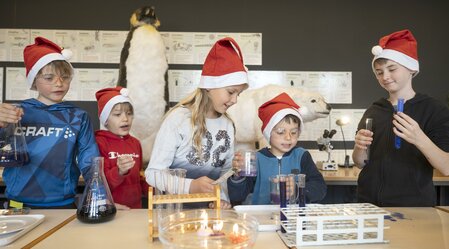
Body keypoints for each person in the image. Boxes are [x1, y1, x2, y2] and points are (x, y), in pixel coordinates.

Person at [145, 37, 249, 209]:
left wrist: (222, 199)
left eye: (238, 94)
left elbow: (224, 173)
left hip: (208, 216)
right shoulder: (178, 119)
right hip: (173, 214)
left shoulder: (228, 126)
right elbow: (153, 174)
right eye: (231, 92)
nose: (235, 100)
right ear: (209, 86)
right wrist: (190, 186)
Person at [353, 29, 449, 207]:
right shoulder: (374, 110)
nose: (385, 77)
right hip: (368, 206)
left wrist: (418, 138)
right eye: (379, 72)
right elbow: (360, 163)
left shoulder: (435, 110)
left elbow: (446, 167)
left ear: (411, 68)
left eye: (392, 69)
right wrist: (359, 148)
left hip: (414, 208)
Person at [0, 37, 99, 208]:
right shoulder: (14, 113)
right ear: (34, 81)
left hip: (63, 203)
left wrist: (100, 193)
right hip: (18, 204)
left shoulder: (78, 116)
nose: (59, 83)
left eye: (65, 77)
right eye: (49, 78)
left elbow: (90, 160)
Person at [228, 92, 327, 205]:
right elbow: (237, 196)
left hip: (293, 218)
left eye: (294, 132)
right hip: (263, 218)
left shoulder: (302, 156)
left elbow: (320, 188)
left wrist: (297, 189)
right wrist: (237, 176)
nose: (288, 137)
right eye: (281, 132)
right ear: (268, 133)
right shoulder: (256, 159)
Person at [95, 86, 148, 209]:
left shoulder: (135, 143)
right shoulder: (99, 143)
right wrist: (119, 171)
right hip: (111, 209)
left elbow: (138, 177)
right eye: (117, 114)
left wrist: (155, 191)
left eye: (129, 114)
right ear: (105, 119)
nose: (125, 119)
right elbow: (99, 183)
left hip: (135, 209)